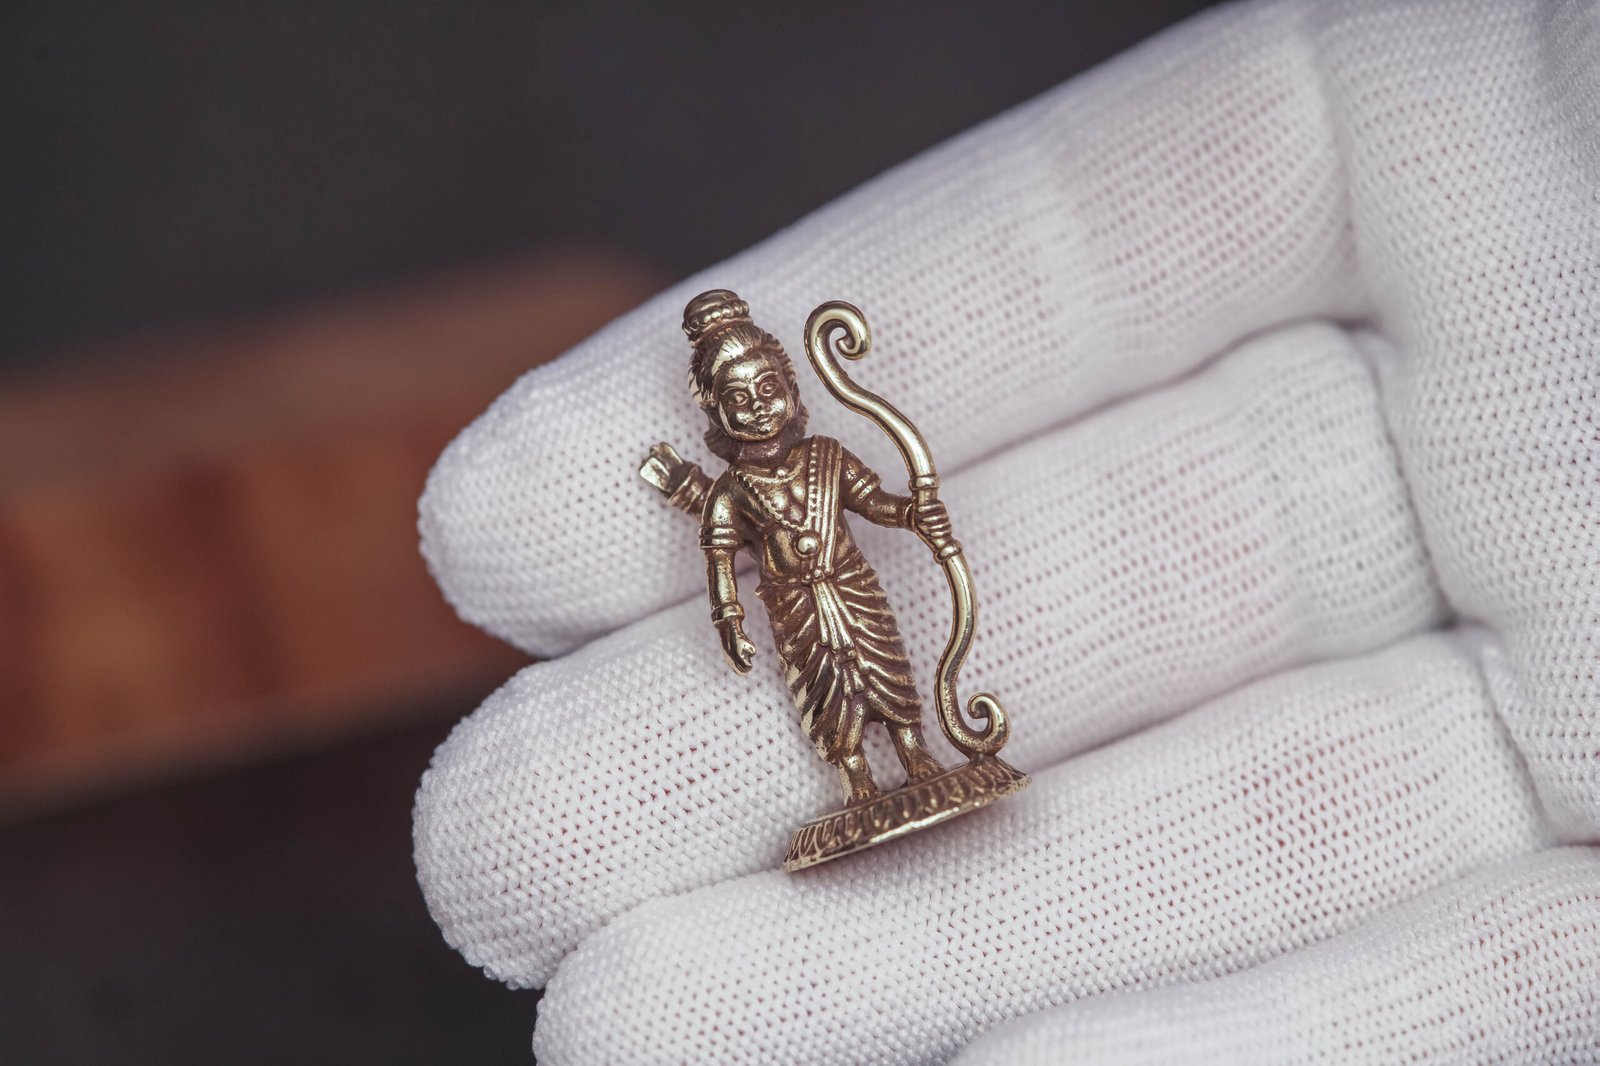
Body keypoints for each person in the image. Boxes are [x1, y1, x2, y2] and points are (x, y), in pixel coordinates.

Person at [412, 0, 1600, 1061]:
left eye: (772, 381)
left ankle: (924, 760)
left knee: (889, 685)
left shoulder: (824, 458)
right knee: (833, 709)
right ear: (719, 417)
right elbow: (724, 561)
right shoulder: (738, 490)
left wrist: (911, 508)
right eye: (741, 396)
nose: (764, 401)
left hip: (856, 593)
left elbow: (879, 506)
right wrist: (724, 612)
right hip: (799, 615)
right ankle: (861, 786)